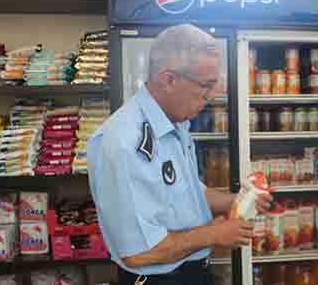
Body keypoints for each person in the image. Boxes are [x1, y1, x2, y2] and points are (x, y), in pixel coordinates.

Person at [87, 24, 273, 285]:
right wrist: (214, 234)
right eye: (205, 85)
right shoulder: (123, 142)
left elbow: (188, 193)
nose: (213, 94)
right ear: (169, 80)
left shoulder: (175, 124)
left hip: (193, 274)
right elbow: (138, 252)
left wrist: (238, 201)